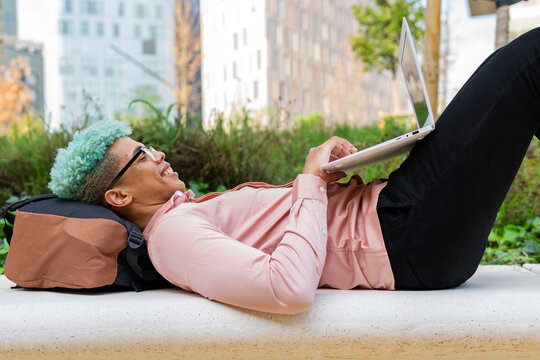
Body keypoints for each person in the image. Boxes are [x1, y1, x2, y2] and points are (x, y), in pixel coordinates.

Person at [49, 28, 540, 314]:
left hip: (400, 217)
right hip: (406, 236)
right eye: (141, 155)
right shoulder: (170, 236)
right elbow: (288, 289)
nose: (158, 154)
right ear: (117, 197)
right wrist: (308, 181)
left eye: (150, 146)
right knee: (525, 65)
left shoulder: (186, 212)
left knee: (527, 71)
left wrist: (326, 181)